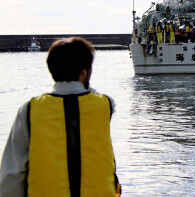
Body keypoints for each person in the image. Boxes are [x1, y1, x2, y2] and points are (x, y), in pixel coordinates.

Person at [0, 37, 121, 196]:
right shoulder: (106, 105)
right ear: (84, 72)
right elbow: (90, 93)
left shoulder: (29, 110)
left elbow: (11, 176)